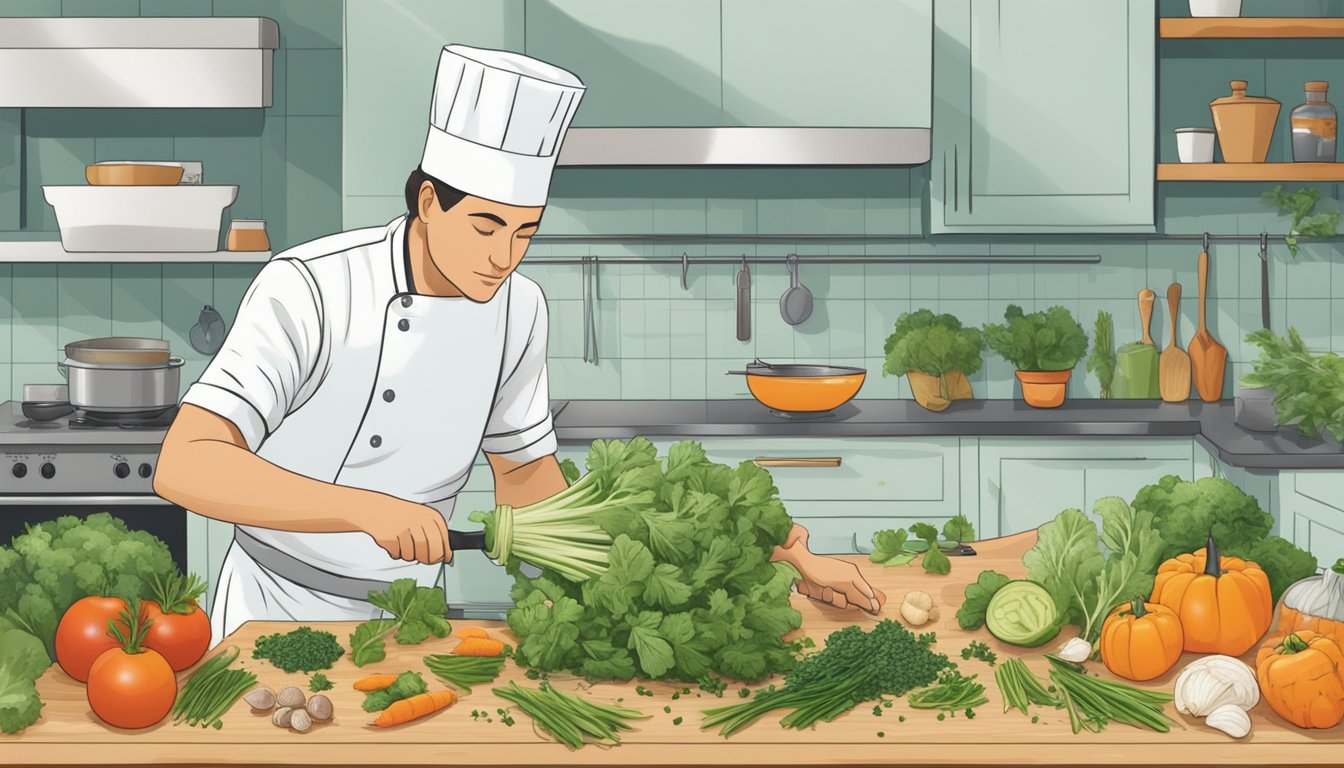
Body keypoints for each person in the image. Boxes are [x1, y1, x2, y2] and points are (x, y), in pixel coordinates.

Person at [154, 44, 886, 642]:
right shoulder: (310, 287)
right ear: (428, 200)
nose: (505, 257)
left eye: (525, 233)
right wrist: (365, 508)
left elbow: (527, 479)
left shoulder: (518, 310)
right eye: (485, 227)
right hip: (275, 611)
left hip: (411, 617)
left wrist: (779, 554)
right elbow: (188, 465)